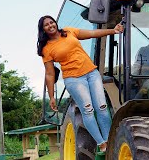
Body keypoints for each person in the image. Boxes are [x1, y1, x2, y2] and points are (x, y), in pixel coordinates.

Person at [37, 15, 123, 152]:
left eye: (51, 22)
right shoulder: (46, 49)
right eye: (46, 25)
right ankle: (101, 144)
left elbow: (92, 33)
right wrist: (51, 96)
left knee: (102, 107)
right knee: (88, 110)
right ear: (43, 30)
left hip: (92, 73)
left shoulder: (69, 32)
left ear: (55, 23)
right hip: (74, 79)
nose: (50, 25)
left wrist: (113, 31)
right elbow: (49, 73)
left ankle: (109, 141)